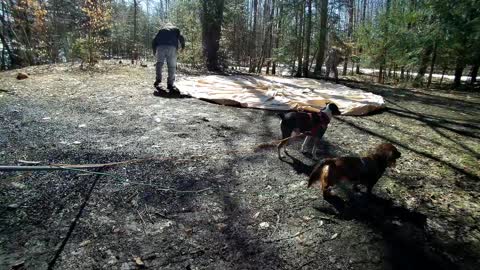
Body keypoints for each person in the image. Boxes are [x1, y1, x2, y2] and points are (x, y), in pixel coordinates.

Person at [152, 22, 185, 93]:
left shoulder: (161, 30)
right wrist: (183, 47)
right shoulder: (176, 29)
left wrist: (154, 50)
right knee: (172, 66)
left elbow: (154, 40)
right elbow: (181, 37)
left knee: (159, 64)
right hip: (171, 47)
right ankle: (170, 84)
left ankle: (158, 79)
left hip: (160, 47)